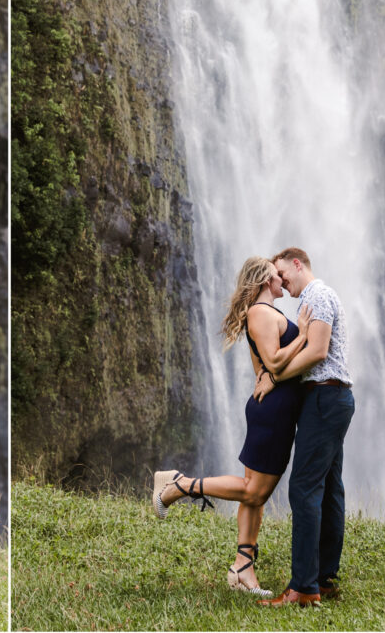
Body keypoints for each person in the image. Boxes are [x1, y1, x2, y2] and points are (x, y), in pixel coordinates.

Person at [152, 256, 312, 597]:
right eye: (276, 272)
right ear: (264, 278)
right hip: (273, 411)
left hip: (276, 407)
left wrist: (295, 337)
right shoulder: (261, 312)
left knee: (256, 495)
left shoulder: (269, 313)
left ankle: (243, 568)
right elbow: (274, 361)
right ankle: (179, 485)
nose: (282, 277)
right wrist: (305, 334)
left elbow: (272, 367)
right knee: (253, 490)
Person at [254, 247, 354, 608]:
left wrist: (276, 374)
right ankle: (324, 579)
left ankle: (304, 588)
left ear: (298, 264)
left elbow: (317, 351)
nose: (280, 282)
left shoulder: (319, 296)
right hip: (328, 398)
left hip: (326, 399)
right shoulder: (308, 302)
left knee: (304, 488)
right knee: (328, 489)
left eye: (283, 273)